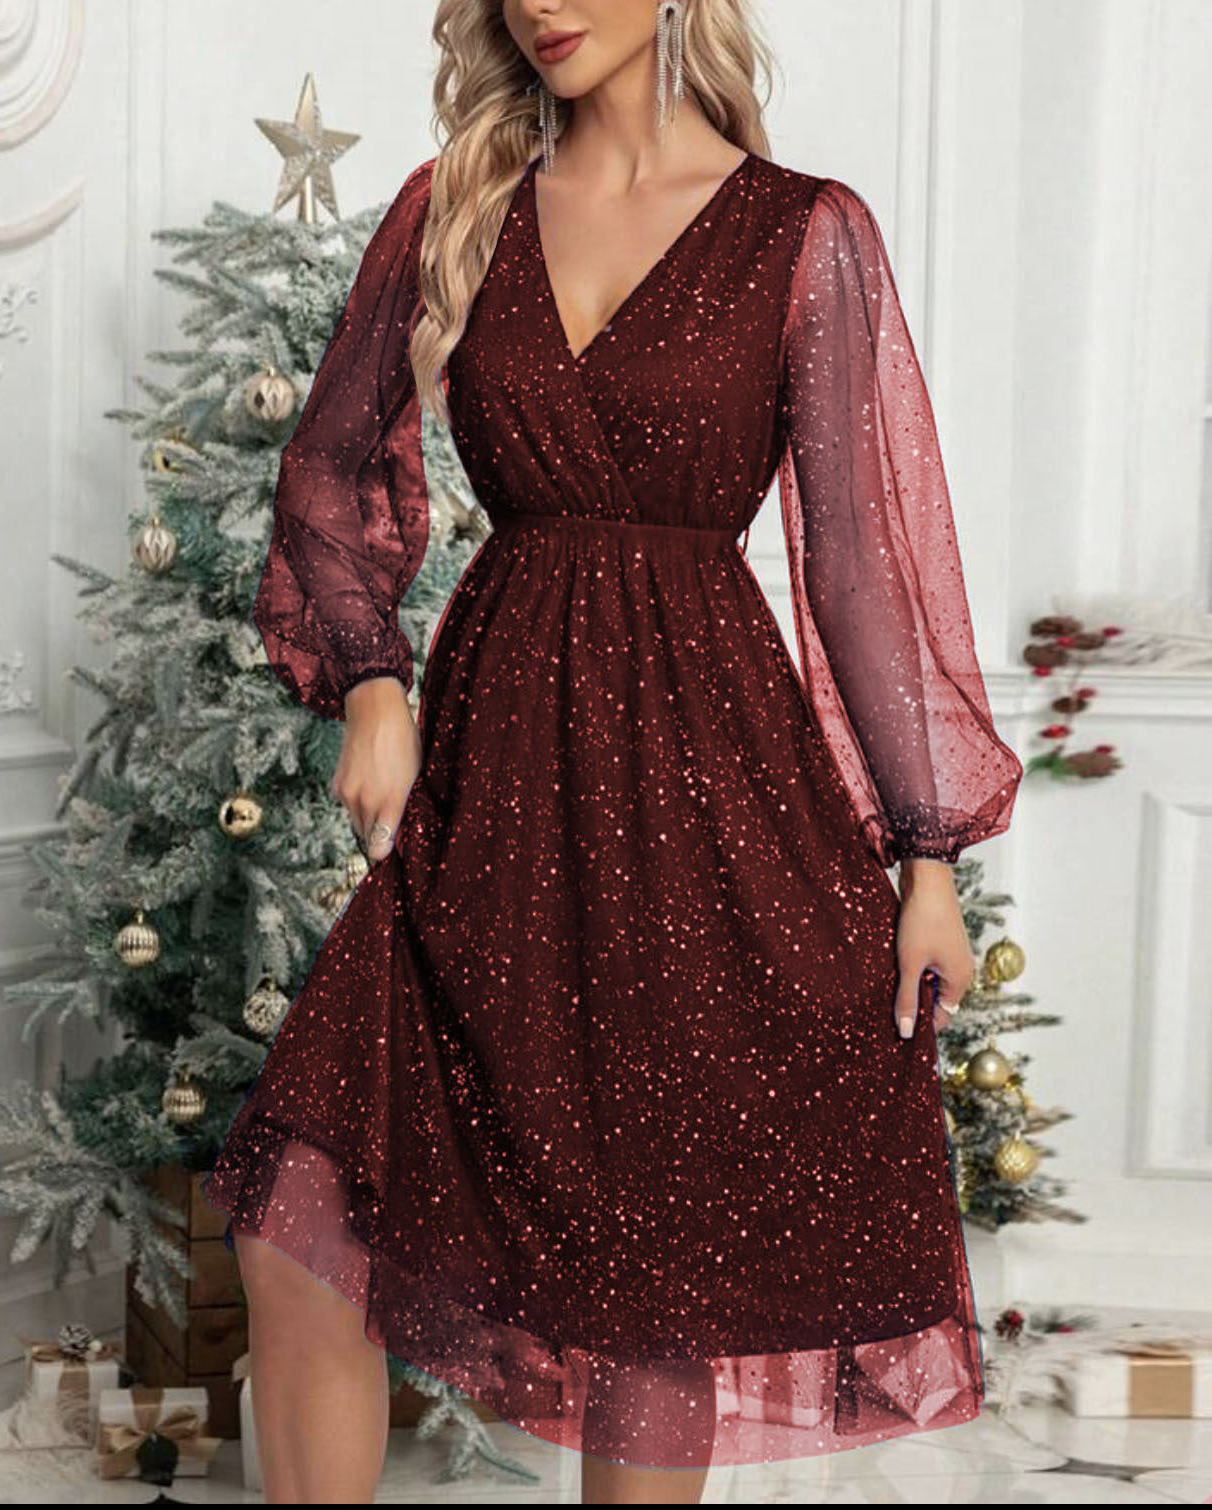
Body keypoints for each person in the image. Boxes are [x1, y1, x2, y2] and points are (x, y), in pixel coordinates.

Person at [200, 0, 1024, 1502]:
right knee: (296, 1221)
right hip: (491, 794)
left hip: (712, 797)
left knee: (658, 1279)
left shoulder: (803, 232)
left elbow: (858, 566)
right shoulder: (457, 206)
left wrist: (927, 857)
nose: (542, 5)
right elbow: (327, 466)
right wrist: (374, 683)